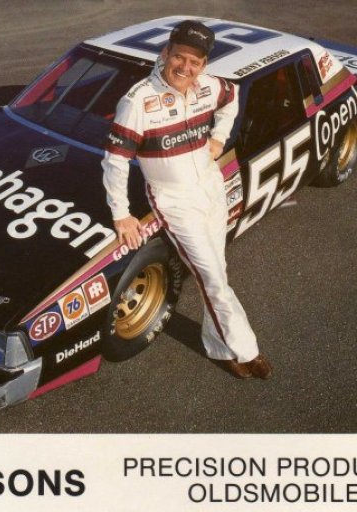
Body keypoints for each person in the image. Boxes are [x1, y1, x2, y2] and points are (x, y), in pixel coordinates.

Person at [101, 20, 272, 379]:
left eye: (195, 62)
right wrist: (121, 214)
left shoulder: (210, 86)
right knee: (213, 279)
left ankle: (217, 342)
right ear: (166, 53)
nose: (185, 67)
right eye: (179, 57)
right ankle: (244, 350)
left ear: (204, 64)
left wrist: (219, 137)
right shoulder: (137, 101)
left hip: (211, 188)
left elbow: (232, 97)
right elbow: (116, 160)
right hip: (173, 201)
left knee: (217, 272)